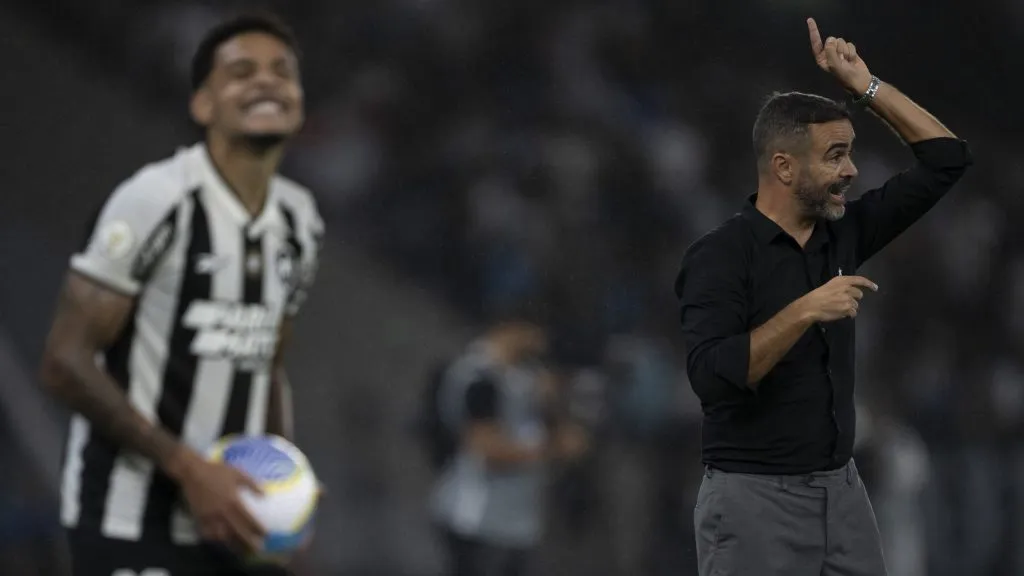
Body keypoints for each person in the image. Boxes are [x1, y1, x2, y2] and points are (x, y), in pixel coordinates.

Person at [674, 18, 972, 576]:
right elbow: (713, 378)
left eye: (851, 152)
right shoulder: (720, 255)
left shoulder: (844, 233)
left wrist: (867, 87)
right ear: (784, 167)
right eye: (835, 155)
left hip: (843, 492)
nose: (852, 170)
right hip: (752, 499)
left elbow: (947, 160)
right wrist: (806, 308)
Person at [39, 13, 323, 576]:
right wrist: (189, 469)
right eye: (242, 72)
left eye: (282, 72)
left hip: (231, 529)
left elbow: (266, 363)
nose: (266, 82)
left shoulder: (300, 222)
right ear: (203, 105)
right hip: (128, 519)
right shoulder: (155, 200)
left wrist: (283, 484)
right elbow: (64, 363)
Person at [430, 320, 588, 576]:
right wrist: (553, 449)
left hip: (518, 521)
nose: (540, 341)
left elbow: (549, 428)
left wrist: (554, 406)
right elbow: (487, 450)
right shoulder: (477, 377)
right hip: (479, 518)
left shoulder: (524, 376)